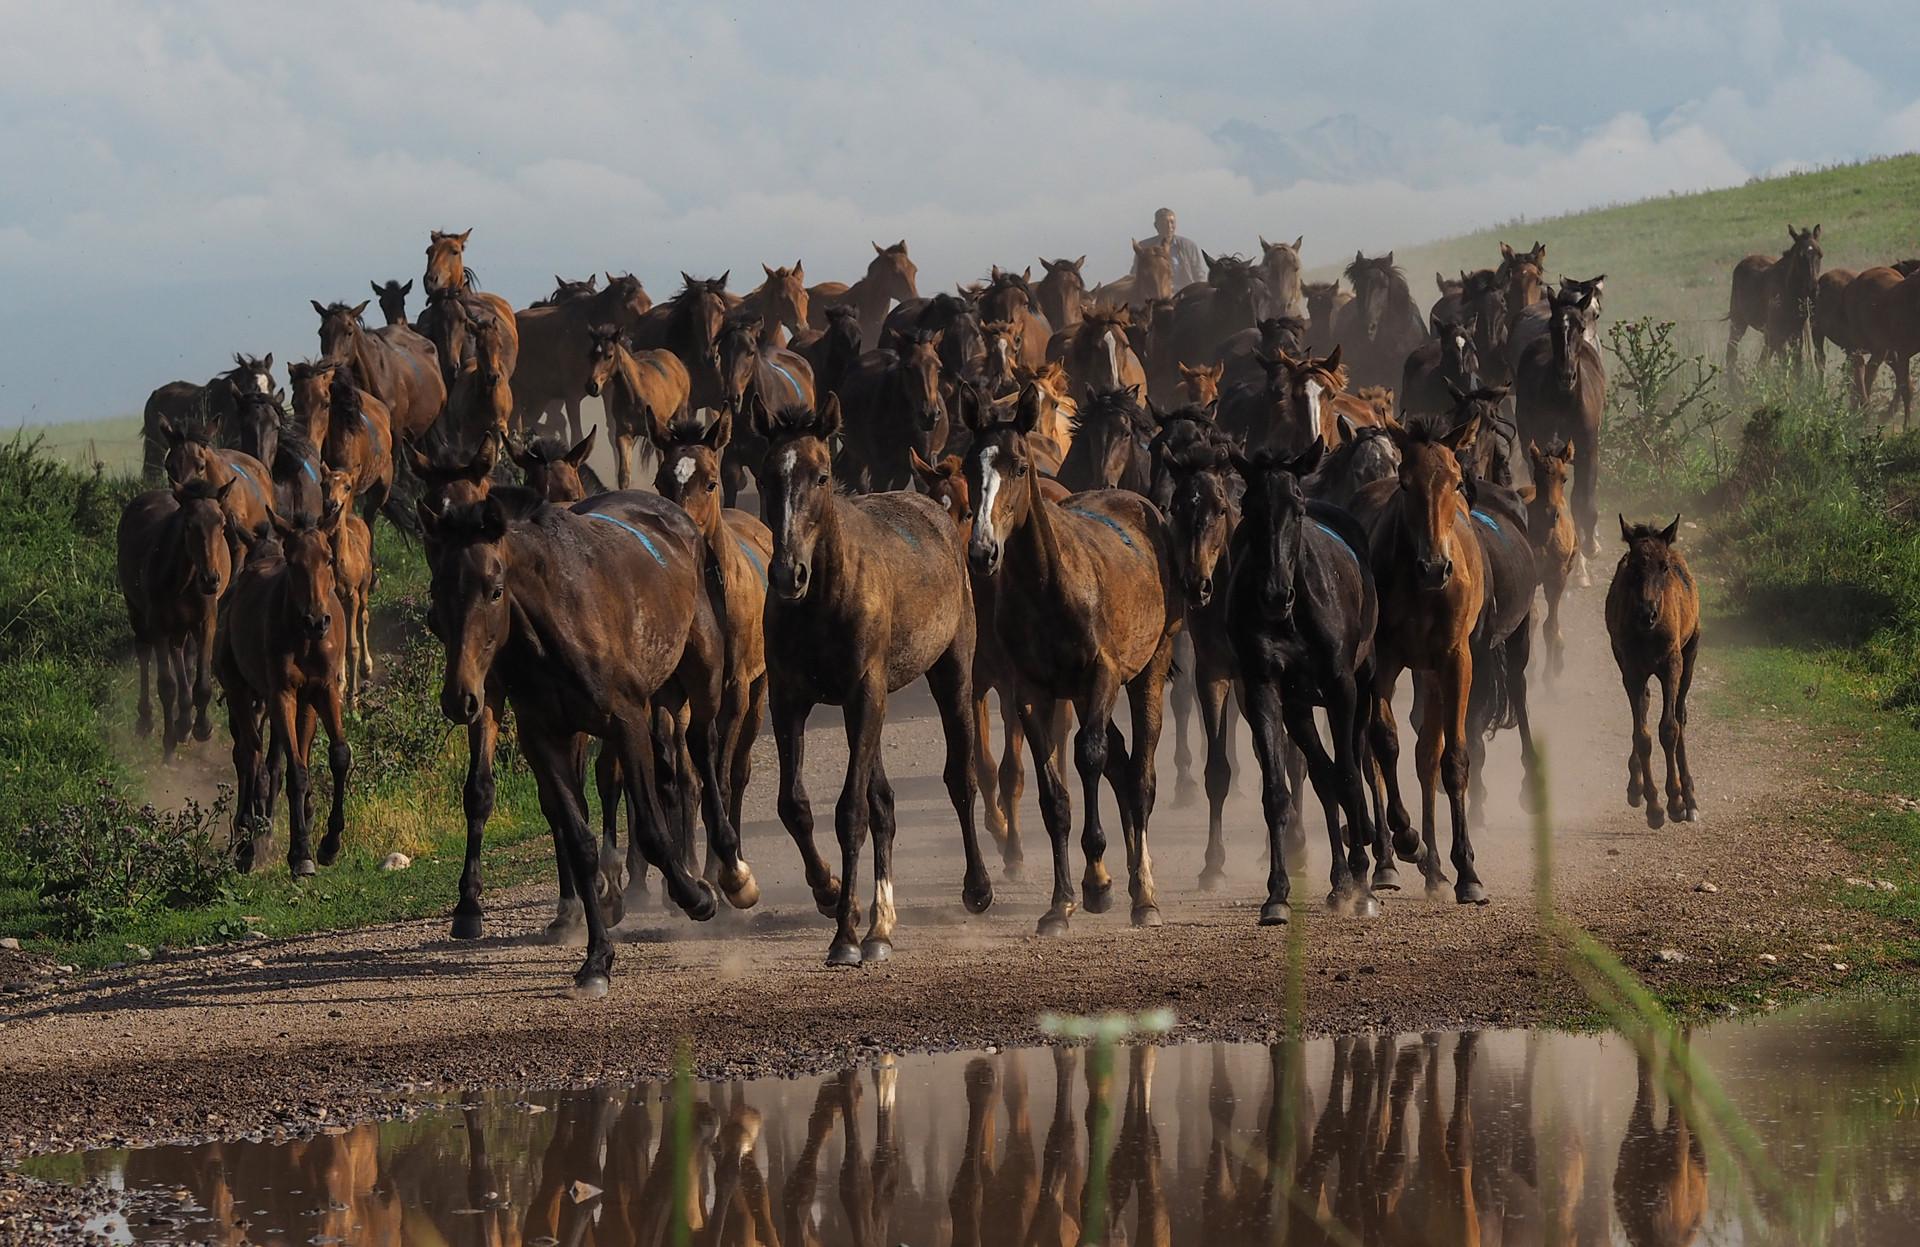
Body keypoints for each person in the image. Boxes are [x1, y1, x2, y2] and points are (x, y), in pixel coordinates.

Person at [1153, 208, 1206, 291]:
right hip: (1157, 295)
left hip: (1184, 294)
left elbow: (1198, 274)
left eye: (1172, 222)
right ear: (1156, 225)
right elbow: (1135, 275)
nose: (1169, 226)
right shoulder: (1145, 247)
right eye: (1165, 222)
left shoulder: (1189, 246)